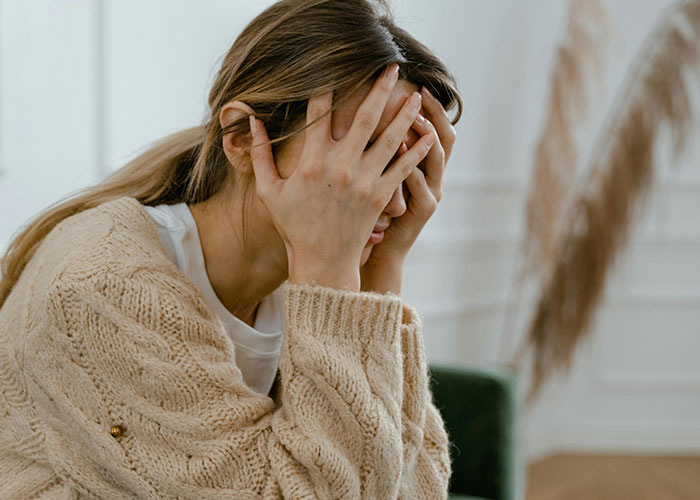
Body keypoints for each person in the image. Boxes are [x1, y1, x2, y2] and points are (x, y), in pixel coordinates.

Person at [0, 0, 462, 498]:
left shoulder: (318, 269)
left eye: (406, 161)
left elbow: (411, 488)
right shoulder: (103, 288)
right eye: (360, 155)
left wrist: (383, 268)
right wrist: (337, 274)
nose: (388, 198)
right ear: (243, 138)